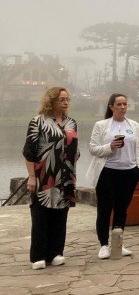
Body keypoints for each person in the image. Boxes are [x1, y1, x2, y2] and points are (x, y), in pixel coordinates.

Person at [23, 87, 79, 270]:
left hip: (66, 177)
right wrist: (32, 176)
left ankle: (55, 253)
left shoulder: (72, 123)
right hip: (44, 175)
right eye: (62, 99)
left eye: (67, 99)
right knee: (40, 216)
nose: (65, 102)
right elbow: (29, 152)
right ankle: (38, 256)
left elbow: (75, 151)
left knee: (60, 216)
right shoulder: (38, 122)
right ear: (51, 101)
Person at [86, 93, 139, 259]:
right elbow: (93, 149)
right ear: (111, 106)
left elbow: (137, 148)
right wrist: (110, 146)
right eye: (119, 104)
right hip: (108, 172)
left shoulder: (134, 125)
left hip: (129, 172)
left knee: (122, 209)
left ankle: (118, 242)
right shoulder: (101, 125)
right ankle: (103, 245)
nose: (122, 107)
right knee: (104, 209)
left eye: (125, 104)